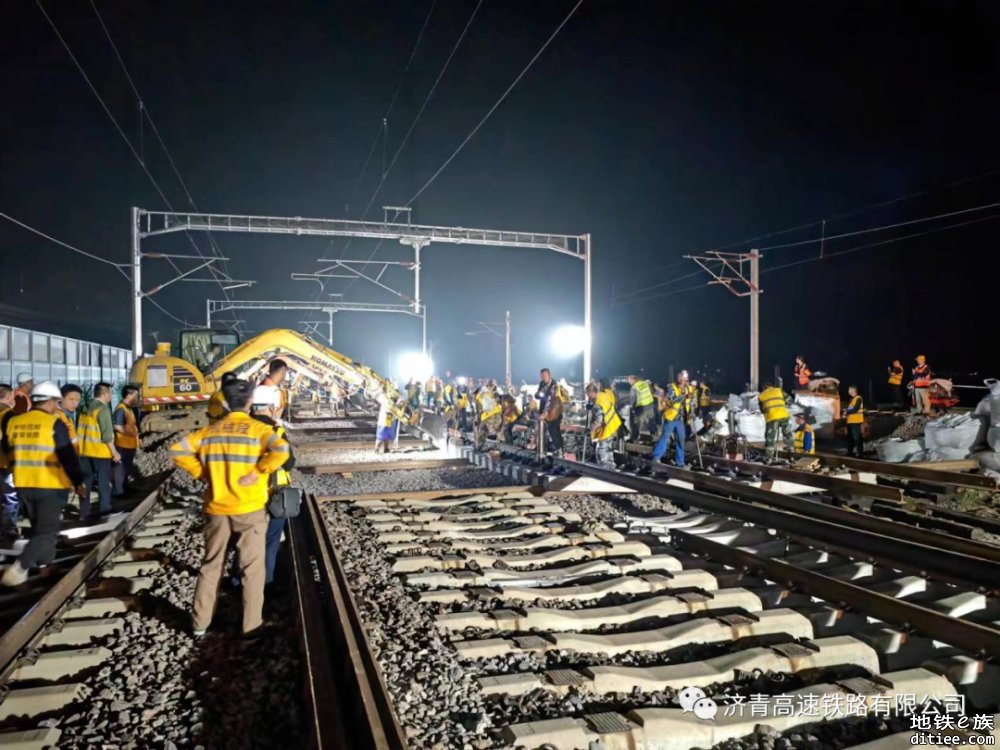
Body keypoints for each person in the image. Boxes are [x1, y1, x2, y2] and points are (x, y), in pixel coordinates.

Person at [170, 379, 290, 638]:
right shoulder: (258, 429)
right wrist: (259, 470)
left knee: (211, 565)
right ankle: (251, 626)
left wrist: (202, 472)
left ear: (224, 402)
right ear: (249, 402)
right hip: (250, 508)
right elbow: (282, 450)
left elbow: (178, 450)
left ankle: (200, 623)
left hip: (216, 507)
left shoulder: (210, 431)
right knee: (252, 568)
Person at [1, 381, 86, 586]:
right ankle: (21, 566)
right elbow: (67, 456)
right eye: (56, 402)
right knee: (46, 530)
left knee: (41, 528)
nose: (57, 406)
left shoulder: (15, 422)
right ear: (49, 401)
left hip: (23, 484)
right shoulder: (53, 423)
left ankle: (44, 565)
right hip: (51, 484)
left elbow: (7, 449)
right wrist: (78, 482)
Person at [249, 385, 296, 586]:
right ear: (271, 407)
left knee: (247, 541)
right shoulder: (276, 431)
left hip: (248, 496)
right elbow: (289, 463)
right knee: (270, 541)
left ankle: (239, 582)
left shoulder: (243, 430)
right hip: (275, 496)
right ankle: (265, 584)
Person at [78, 382, 121, 520]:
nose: (111, 396)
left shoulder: (84, 408)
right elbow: (107, 435)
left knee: (86, 483)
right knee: (103, 482)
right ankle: (105, 510)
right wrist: (115, 452)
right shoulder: (103, 410)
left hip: (84, 451)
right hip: (100, 452)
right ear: (105, 394)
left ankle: (84, 513)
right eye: (110, 393)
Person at [652, 370, 691, 466]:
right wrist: (683, 396)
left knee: (680, 440)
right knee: (665, 438)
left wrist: (690, 412)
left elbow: (688, 402)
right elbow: (671, 400)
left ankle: (680, 462)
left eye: (684, 379)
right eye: (681, 378)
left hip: (681, 419)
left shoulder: (686, 389)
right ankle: (656, 457)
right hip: (671, 417)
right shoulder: (672, 388)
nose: (682, 381)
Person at [0, 385, 19, 542]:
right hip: (5, 463)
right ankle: (8, 529)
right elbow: (9, 441)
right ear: (8, 396)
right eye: (12, 396)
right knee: (10, 496)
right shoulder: (8, 414)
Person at [113, 386, 140, 496]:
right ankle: (119, 492)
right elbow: (118, 426)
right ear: (129, 395)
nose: (137, 398)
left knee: (126, 469)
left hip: (129, 445)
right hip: (123, 445)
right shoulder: (121, 409)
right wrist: (132, 433)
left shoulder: (128, 408)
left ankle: (125, 488)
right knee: (121, 470)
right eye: (135, 395)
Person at [587, 382, 622, 469]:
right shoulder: (604, 394)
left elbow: (598, 421)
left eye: (588, 394)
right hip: (614, 423)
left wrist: (590, 428)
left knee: (602, 449)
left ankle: (605, 468)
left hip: (607, 427)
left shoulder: (598, 404)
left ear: (592, 393)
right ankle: (611, 465)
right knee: (608, 447)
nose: (588, 397)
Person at [759, 381, 794, 459]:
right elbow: (790, 400)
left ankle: (769, 455)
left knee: (770, 437)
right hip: (783, 415)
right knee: (787, 432)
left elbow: (762, 410)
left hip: (772, 418)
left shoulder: (761, 396)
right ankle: (791, 448)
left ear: (764, 388)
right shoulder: (779, 390)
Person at [535, 368, 563, 455]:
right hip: (544, 411)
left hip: (554, 413)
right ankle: (542, 448)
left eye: (545, 376)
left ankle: (559, 449)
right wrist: (538, 394)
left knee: (554, 430)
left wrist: (545, 414)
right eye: (542, 376)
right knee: (541, 430)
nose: (543, 378)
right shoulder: (542, 384)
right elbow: (538, 395)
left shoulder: (554, 386)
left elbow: (551, 402)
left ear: (549, 375)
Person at [625, 375, 656, 441]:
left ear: (633, 379)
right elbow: (651, 392)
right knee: (651, 422)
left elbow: (633, 399)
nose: (629, 382)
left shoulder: (634, 387)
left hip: (641, 407)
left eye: (629, 380)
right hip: (650, 405)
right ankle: (654, 436)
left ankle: (635, 437)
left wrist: (633, 408)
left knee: (636, 423)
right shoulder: (644, 383)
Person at [844, 385, 865, 457]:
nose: (848, 391)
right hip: (851, 422)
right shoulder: (853, 399)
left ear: (853, 390)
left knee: (857, 438)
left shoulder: (858, 398)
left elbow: (856, 409)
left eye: (849, 390)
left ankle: (860, 453)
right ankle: (850, 452)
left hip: (856, 421)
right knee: (850, 438)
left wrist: (846, 412)